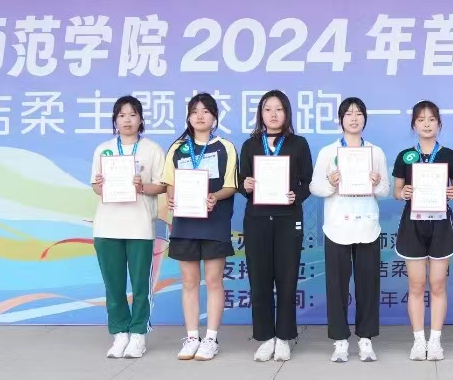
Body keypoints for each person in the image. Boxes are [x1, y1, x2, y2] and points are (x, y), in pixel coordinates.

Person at [309, 97, 390, 362]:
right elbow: (314, 187)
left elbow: (385, 190)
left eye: (358, 114)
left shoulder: (375, 152)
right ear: (340, 119)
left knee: (368, 285)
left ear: (365, 118)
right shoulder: (328, 152)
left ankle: (366, 339)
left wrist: (376, 183)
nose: (354, 118)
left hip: (367, 225)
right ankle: (340, 340)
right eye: (348, 114)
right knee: (336, 286)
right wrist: (330, 182)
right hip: (337, 227)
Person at [239, 90, 314, 362]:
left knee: (287, 278)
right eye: (268, 109)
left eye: (279, 109)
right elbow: (241, 181)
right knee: (259, 280)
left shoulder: (298, 144)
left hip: (288, 219)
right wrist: (246, 185)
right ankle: (265, 337)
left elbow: (308, 181)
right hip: (257, 219)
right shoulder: (250, 145)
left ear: (287, 113)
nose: (273, 114)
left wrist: (297, 195)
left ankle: (283, 337)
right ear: (260, 114)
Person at [162, 94, 238, 361]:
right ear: (188, 117)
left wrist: (215, 197)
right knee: (189, 281)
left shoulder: (225, 147)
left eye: (206, 111)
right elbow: (169, 183)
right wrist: (171, 196)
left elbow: (231, 185)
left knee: (214, 281)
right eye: (194, 111)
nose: (200, 116)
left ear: (215, 117)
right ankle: (192, 337)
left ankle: (211, 339)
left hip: (215, 223)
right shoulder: (178, 148)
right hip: (185, 224)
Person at [89, 96, 166, 359]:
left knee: (141, 285)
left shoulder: (152, 149)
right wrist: (101, 185)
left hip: (139, 226)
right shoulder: (103, 150)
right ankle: (119, 333)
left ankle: (138, 334)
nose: (127, 120)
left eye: (133, 114)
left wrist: (141, 186)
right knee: (113, 285)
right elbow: (95, 186)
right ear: (115, 120)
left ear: (141, 119)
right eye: (122, 115)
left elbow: (162, 186)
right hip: (107, 226)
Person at [393, 101, 453, 362]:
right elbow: (396, 191)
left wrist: (452, 192)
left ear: (439, 124)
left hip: (441, 224)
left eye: (431, 119)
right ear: (414, 125)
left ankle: (435, 341)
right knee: (416, 285)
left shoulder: (449, 156)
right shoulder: (405, 156)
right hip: (413, 224)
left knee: (437, 284)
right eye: (421, 120)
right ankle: (418, 341)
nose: (426, 124)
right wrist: (403, 192)